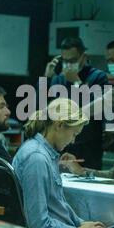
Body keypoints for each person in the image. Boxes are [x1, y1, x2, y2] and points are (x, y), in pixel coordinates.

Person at [13, 98, 105, 228]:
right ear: (59, 125)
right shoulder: (37, 159)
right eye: (74, 134)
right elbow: (38, 223)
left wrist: (80, 224)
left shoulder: (44, 154)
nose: (73, 141)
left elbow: (58, 205)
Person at [42, 37, 108, 169]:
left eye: (72, 60)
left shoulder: (98, 77)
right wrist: (46, 78)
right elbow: (41, 107)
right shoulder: (58, 79)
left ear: (83, 57)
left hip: (88, 145)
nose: (68, 65)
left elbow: (97, 108)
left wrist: (77, 83)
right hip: (61, 144)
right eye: (64, 60)